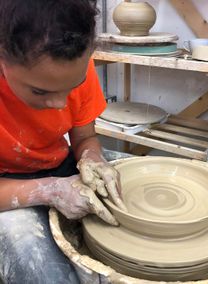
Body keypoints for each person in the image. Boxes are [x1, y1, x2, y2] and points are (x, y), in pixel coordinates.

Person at [0, 0, 126, 283]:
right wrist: (48, 190)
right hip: (6, 184)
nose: (59, 103)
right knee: (43, 270)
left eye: (74, 86)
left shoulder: (74, 64)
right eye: (39, 91)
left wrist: (92, 158)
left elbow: (85, 137)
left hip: (59, 163)